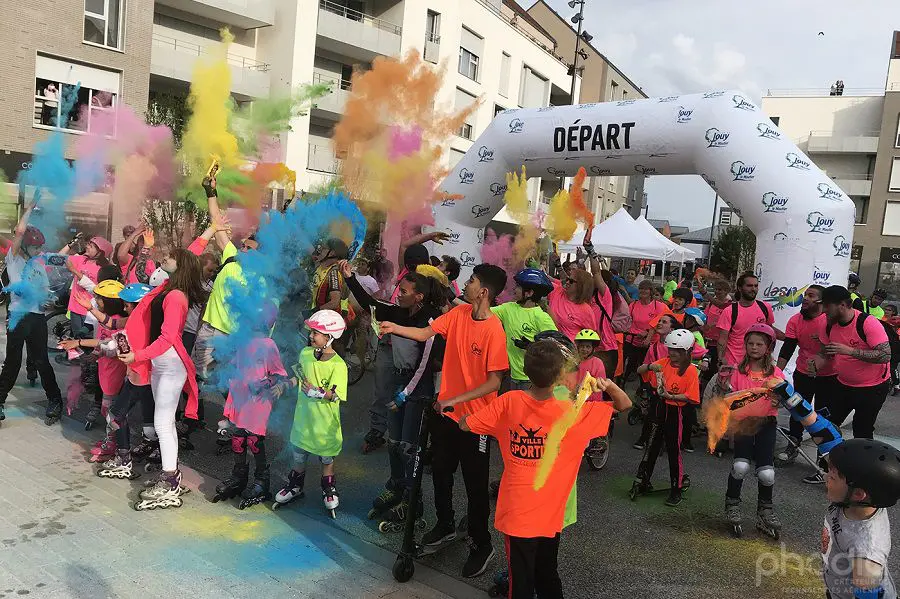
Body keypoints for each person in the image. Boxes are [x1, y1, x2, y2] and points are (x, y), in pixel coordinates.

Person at [458, 339, 629, 599]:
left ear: (526, 372)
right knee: (547, 571)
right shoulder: (572, 413)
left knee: (521, 580)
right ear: (561, 376)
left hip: (517, 513)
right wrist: (610, 386)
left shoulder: (508, 402)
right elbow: (624, 405)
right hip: (551, 512)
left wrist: (462, 416)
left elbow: (467, 425)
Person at [380, 263, 509, 578]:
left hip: (476, 420)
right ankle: (446, 524)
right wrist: (393, 327)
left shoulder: (494, 330)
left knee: (475, 485)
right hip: (446, 415)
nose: (466, 283)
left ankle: (482, 543)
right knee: (440, 471)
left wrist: (455, 400)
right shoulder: (459, 315)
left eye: (472, 280)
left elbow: (494, 383)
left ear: (484, 292)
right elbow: (425, 332)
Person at [341, 260, 446, 524]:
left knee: (410, 447)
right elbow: (371, 305)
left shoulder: (430, 318)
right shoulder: (401, 310)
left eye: (404, 292)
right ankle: (396, 486)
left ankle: (413, 501)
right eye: (399, 290)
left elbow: (426, 363)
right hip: (400, 384)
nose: (398, 294)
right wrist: (350, 277)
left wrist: (405, 393)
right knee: (395, 442)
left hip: (418, 388)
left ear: (418, 296)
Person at [119, 248, 205, 510]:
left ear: (179, 266)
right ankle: (172, 474)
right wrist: (210, 230)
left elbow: (168, 338)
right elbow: (191, 255)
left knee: (162, 424)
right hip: (160, 364)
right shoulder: (168, 287)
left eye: (170, 256)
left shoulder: (176, 296)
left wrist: (138, 356)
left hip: (170, 365)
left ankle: (170, 481)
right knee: (163, 423)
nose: (164, 258)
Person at [363, 231, 449, 453]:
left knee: (407, 394)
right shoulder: (405, 275)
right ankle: (378, 431)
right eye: (410, 265)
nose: (411, 269)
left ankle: (411, 443)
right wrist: (429, 236)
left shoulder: (426, 287)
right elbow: (404, 247)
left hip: (411, 349)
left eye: (416, 265)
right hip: (389, 344)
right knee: (382, 391)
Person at [711, 324, 784, 535]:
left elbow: (784, 398)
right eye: (750, 343)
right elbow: (726, 399)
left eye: (759, 344)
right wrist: (723, 389)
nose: (754, 347)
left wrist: (778, 397)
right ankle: (732, 503)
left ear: (768, 347)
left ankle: (765, 510)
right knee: (741, 466)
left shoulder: (776, 372)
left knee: (767, 473)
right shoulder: (737, 371)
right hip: (743, 424)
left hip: (766, 423)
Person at [274, 310, 349, 516]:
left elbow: (337, 395)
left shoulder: (339, 365)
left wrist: (316, 391)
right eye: (311, 332)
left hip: (325, 425)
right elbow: (300, 376)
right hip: (303, 421)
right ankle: (295, 486)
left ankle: (329, 489)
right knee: (299, 457)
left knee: (326, 460)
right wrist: (285, 385)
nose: (311, 336)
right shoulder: (306, 354)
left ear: (329, 337)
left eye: (315, 333)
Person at [214, 303, 288, 508]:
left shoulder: (267, 345)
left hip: (258, 401)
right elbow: (233, 365)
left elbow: (279, 374)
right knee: (238, 440)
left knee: (254, 441)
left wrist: (270, 384)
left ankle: (262, 482)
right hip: (240, 398)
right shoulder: (243, 341)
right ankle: (238, 478)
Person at [0, 204, 62, 425]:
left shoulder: (37, 266)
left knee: (42, 361)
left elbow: (45, 293)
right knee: (13, 363)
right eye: (35, 248)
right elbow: (18, 232)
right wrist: (27, 209)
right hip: (18, 316)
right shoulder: (14, 260)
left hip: (37, 318)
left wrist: (50, 301)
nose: (39, 251)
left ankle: (55, 400)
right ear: (25, 246)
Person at [821, 439, 900, 599]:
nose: (825, 477)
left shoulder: (866, 552)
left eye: (832, 477)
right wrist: (803, 414)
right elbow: (825, 436)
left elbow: (867, 591)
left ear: (858, 494)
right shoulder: (858, 501)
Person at [633, 329, 699, 506]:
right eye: (670, 349)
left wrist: (672, 396)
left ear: (686, 352)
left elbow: (690, 396)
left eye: (677, 351)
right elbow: (640, 370)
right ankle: (644, 481)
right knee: (652, 446)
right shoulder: (663, 362)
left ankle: (676, 488)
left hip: (675, 411)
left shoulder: (691, 370)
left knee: (673, 449)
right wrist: (649, 366)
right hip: (658, 407)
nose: (672, 353)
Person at [775, 285, 835, 474]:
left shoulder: (829, 321)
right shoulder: (795, 320)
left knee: (824, 414)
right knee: (797, 408)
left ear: (821, 301)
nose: (805, 298)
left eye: (811, 295)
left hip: (828, 375)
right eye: (805, 295)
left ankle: (824, 456)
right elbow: (787, 349)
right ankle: (793, 445)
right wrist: (776, 374)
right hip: (803, 372)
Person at [821, 285, 891, 442]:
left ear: (843, 305)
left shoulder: (868, 323)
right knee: (828, 426)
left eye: (827, 306)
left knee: (862, 430)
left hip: (872, 388)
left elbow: (885, 355)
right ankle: (827, 464)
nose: (824, 310)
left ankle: (863, 466)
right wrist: (815, 363)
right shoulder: (829, 324)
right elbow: (826, 353)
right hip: (843, 384)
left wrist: (851, 351)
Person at [491, 268, 557, 392]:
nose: (514, 289)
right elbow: (484, 312)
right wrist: (451, 298)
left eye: (518, 287)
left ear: (529, 293)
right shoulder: (508, 308)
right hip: (511, 377)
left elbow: (557, 348)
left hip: (532, 380)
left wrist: (531, 346)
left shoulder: (541, 317)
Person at [633, 314, 680, 450]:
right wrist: (649, 367)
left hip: (675, 387)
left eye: (664, 322)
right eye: (659, 321)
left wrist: (705, 361)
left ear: (672, 329)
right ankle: (645, 438)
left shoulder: (680, 345)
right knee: (652, 414)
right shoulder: (653, 347)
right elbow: (642, 368)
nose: (659, 323)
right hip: (656, 387)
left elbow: (702, 353)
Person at [716, 272, 776, 367]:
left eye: (756, 286)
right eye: (749, 286)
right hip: (734, 364)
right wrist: (721, 359)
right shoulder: (730, 311)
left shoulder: (765, 307)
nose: (753, 289)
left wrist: (790, 338)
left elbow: (770, 330)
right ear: (740, 288)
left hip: (757, 366)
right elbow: (722, 340)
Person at [61, 235, 113, 339]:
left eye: (91, 246)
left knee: (88, 342)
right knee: (77, 339)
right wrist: (71, 243)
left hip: (91, 311)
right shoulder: (81, 259)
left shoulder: (105, 269)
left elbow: (97, 290)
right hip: (75, 307)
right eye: (88, 244)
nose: (87, 247)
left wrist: (75, 271)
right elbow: (59, 257)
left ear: (100, 252)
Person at [622, 280, 666, 383]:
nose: (643, 291)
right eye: (641, 288)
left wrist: (648, 334)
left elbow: (660, 322)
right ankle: (624, 384)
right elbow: (627, 321)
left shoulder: (658, 306)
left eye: (646, 288)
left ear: (651, 291)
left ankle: (646, 386)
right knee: (628, 365)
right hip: (632, 340)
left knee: (647, 366)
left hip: (649, 343)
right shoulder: (633, 305)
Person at [702, 279, 732, 377]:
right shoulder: (711, 303)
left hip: (720, 345)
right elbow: (705, 317)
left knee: (716, 371)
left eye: (720, 290)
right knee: (706, 371)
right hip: (707, 342)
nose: (717, 292)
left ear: (726, 291)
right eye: (716, 289)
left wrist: (715, 324)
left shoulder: (730, 305)